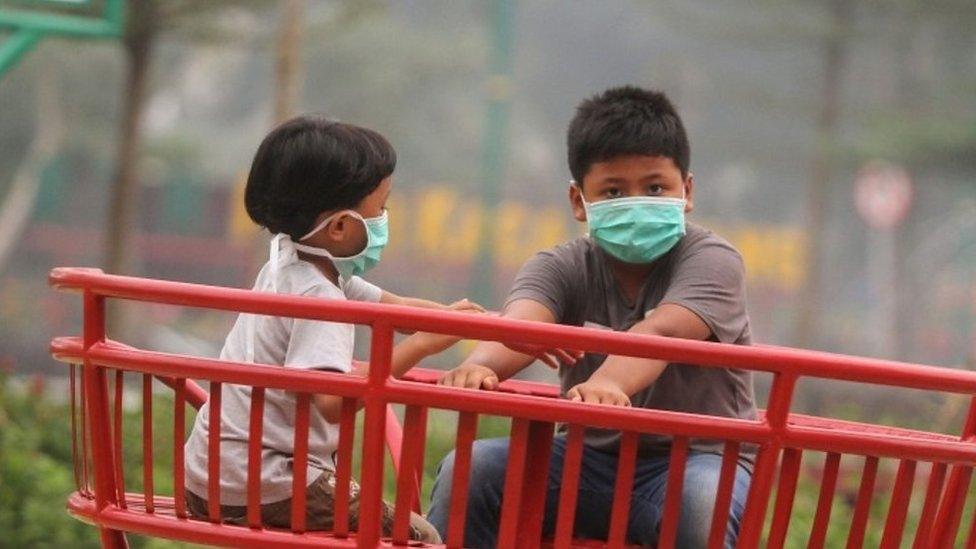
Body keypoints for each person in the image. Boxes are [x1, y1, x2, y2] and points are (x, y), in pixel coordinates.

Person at [428, 86, 756, 548]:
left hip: (698, 458)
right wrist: (483, 364)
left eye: (656, 187)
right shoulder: (559, 265)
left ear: (687, 191)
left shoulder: (713, 261)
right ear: (579, 200)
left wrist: (612, 382)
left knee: (702, 502)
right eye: (614, 191)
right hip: (588, 460)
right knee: (474, 470)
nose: (637, 202)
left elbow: (663, 329)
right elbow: (522, 321)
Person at [184, 116, 481, 543]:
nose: (385, 220)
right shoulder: (321, 299)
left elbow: (396, 308)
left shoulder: (288, 266)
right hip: (272, 484)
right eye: (381, 209)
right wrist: (419, 348)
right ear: (340, 227)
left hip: (209, 478)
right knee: (419, 536)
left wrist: (470, 322)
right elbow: (333, 404)